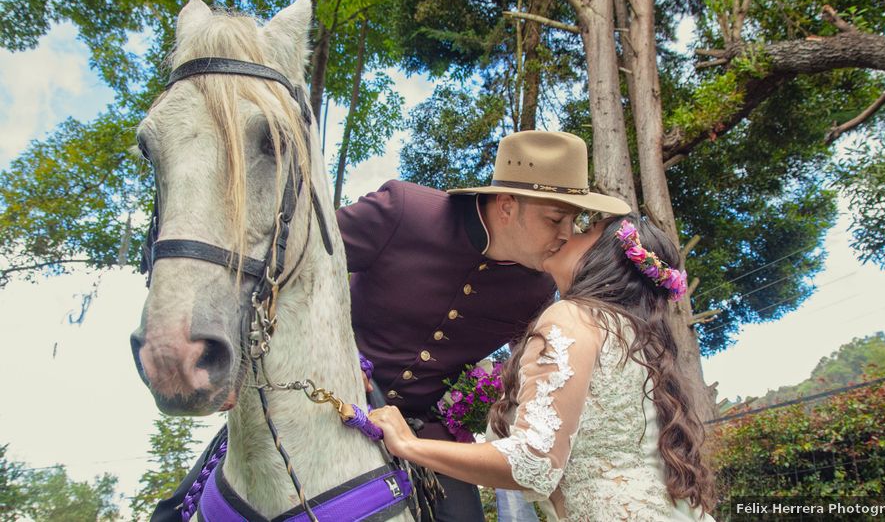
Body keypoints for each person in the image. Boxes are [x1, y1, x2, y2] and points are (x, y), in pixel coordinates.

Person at [150, 130, 631, 521]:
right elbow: (293, 269)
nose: (567, 235)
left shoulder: (535, 292)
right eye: (555, 219)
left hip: (421, 432)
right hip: (318, 397)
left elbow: (535, 379)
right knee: (182, 511)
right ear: (507, 205)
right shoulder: (404, 211)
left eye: (574, 221)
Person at [368, 214, 717, 521]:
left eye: (586, 230)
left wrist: (409, 445)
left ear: (604, 258)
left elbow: (534, 463)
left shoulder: (572, 316)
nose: (569, 233)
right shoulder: (638, 339)